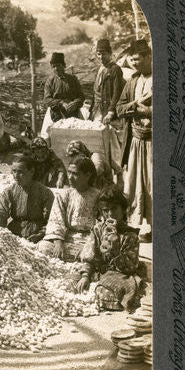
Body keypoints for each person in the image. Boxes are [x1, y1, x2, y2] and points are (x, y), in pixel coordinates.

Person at [74, 186, 144, 312]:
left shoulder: (130, 235)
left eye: (114, 209)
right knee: (72, 281)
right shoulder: (98, 230)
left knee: (105, 291)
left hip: (120, 274)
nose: (110, 214)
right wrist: (85, 275)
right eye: (106, 210)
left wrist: (116, 249)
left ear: (123, 210)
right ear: (101, 211)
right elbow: (89, 256)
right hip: (99, 272)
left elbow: (130, 267)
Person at [118, 39, 152, 242]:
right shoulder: (132, 81)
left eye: (138, 59)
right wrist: (133, 105)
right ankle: (137, 224)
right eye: (132, 61)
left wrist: (147, 110)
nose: (134, 64)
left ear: (149, 56)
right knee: (134, 185)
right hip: (135, 141)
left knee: (152, 185)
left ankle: (156, 226)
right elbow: (120, 108)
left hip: (154, 142)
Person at [37, 156, 101, 261]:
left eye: (75, 174)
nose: (70, 177)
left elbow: (101, 224)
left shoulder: (98, 196)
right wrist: (58, 243)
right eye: (69, 172)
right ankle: (78, 259)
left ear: (88, 175)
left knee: (91, 255)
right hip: (68, 238)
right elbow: (56, 220)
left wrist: (91, 244)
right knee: (43, 247)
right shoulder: (64, 195)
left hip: (90, 239)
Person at [87, 39, 126, 185]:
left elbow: (117, 92)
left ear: (110, 53)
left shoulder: (115, 69)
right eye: (98, 54)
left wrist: (111, 111)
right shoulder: (100, 70)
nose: (101, 57)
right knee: (99, 143)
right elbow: (95, 92)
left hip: (109, 112)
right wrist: (91, 110)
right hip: (98, 111)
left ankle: (119, 174)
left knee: (112, 142)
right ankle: (104, 174)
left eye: (103, 54)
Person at [0, 155, 55, 242]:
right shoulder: (9, 191)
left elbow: (53, 219)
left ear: (31, 171)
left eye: (20, 172)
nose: (16, 175)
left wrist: (41, 234)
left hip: (38, 234)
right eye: (14, 171)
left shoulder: (44, 192)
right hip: (15, 232)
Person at [40, 52, 85, 137]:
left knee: (79, 134)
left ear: (64, 66)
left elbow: (81, 96)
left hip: (73, 113)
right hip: (55, 114)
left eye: (59, 65)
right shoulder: (50, 81)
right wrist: (61, 103)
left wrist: (75, 103)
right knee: (47, 137)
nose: (56, 68)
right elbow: (47, 99)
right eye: (54, 66)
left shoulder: (73, 79)